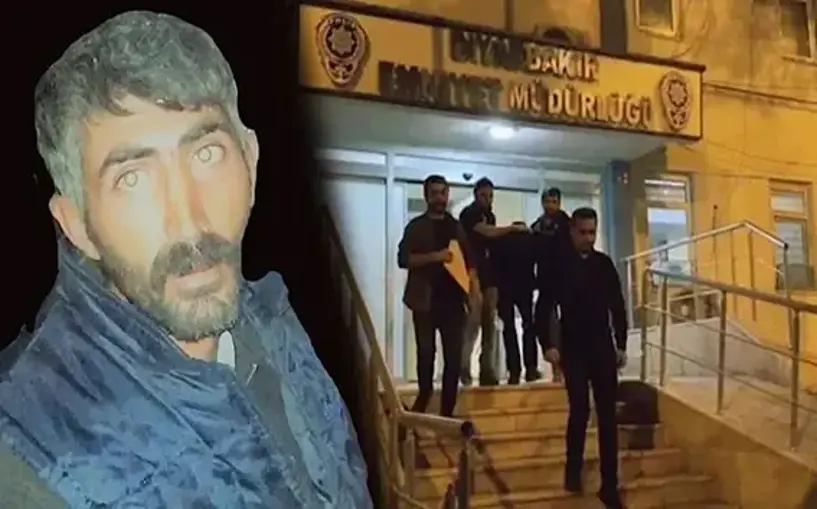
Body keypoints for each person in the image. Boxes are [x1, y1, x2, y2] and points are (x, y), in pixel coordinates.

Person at [0, 11, 371, 509]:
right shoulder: (25, 455)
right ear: (76, 225)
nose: (190, 220)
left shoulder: (277, 330)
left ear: (251, 163)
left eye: (207, 154)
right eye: (132, 178)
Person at [540, 207, 628, 509]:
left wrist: (621, 343)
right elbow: (544, 308)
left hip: (602, 347)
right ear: (572, 231)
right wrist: (548, 344)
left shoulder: (604, 265)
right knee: (579, 409)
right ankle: (573, 471)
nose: (589, 238)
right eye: (583, 232)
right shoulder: (558, 266)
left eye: (593, 232)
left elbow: (617, 305)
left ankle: (609, 484)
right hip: (573, 349)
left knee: (607, 416)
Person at [397, 175, 478, 417]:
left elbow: (469, 260)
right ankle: (424, 397)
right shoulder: (416, 226)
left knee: (453, 357)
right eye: (434, 193)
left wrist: (473, 290)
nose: (440, 198)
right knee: (426, 353)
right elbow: (403, 259)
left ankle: (447, 409)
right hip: (424, 300)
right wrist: (436, 257)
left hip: (453, 302)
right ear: (426, 196)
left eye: (443, 193)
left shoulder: (455, 226)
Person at [459, 177, 528, 386]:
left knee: (489, 323)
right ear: (475, 194)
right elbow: (486, 232)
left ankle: (487, 369)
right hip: (472, 271)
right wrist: (511, 229)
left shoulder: (490, 215)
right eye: (483, 195)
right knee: (473, 321)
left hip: (490, 273)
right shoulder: (468, 214)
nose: (487, 200)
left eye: (490, 196)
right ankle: (463, 367)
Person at [531, 187, 571, 383]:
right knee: (546, 320)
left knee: (567, 322)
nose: (550, 206)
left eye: (554, 202)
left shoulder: (568, 225)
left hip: (565, 278)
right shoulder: (537, 226)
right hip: (546, 280)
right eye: (547, 201)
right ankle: (555, 365)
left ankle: (565, 365)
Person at [491, 221, 537, 385]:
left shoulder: (500, 241)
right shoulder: (530, 241)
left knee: (508, 329)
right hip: (525, 287)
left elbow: (493, 265)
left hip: (505, 289)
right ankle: (531, 369)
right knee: (529, 327)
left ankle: (514, 371)